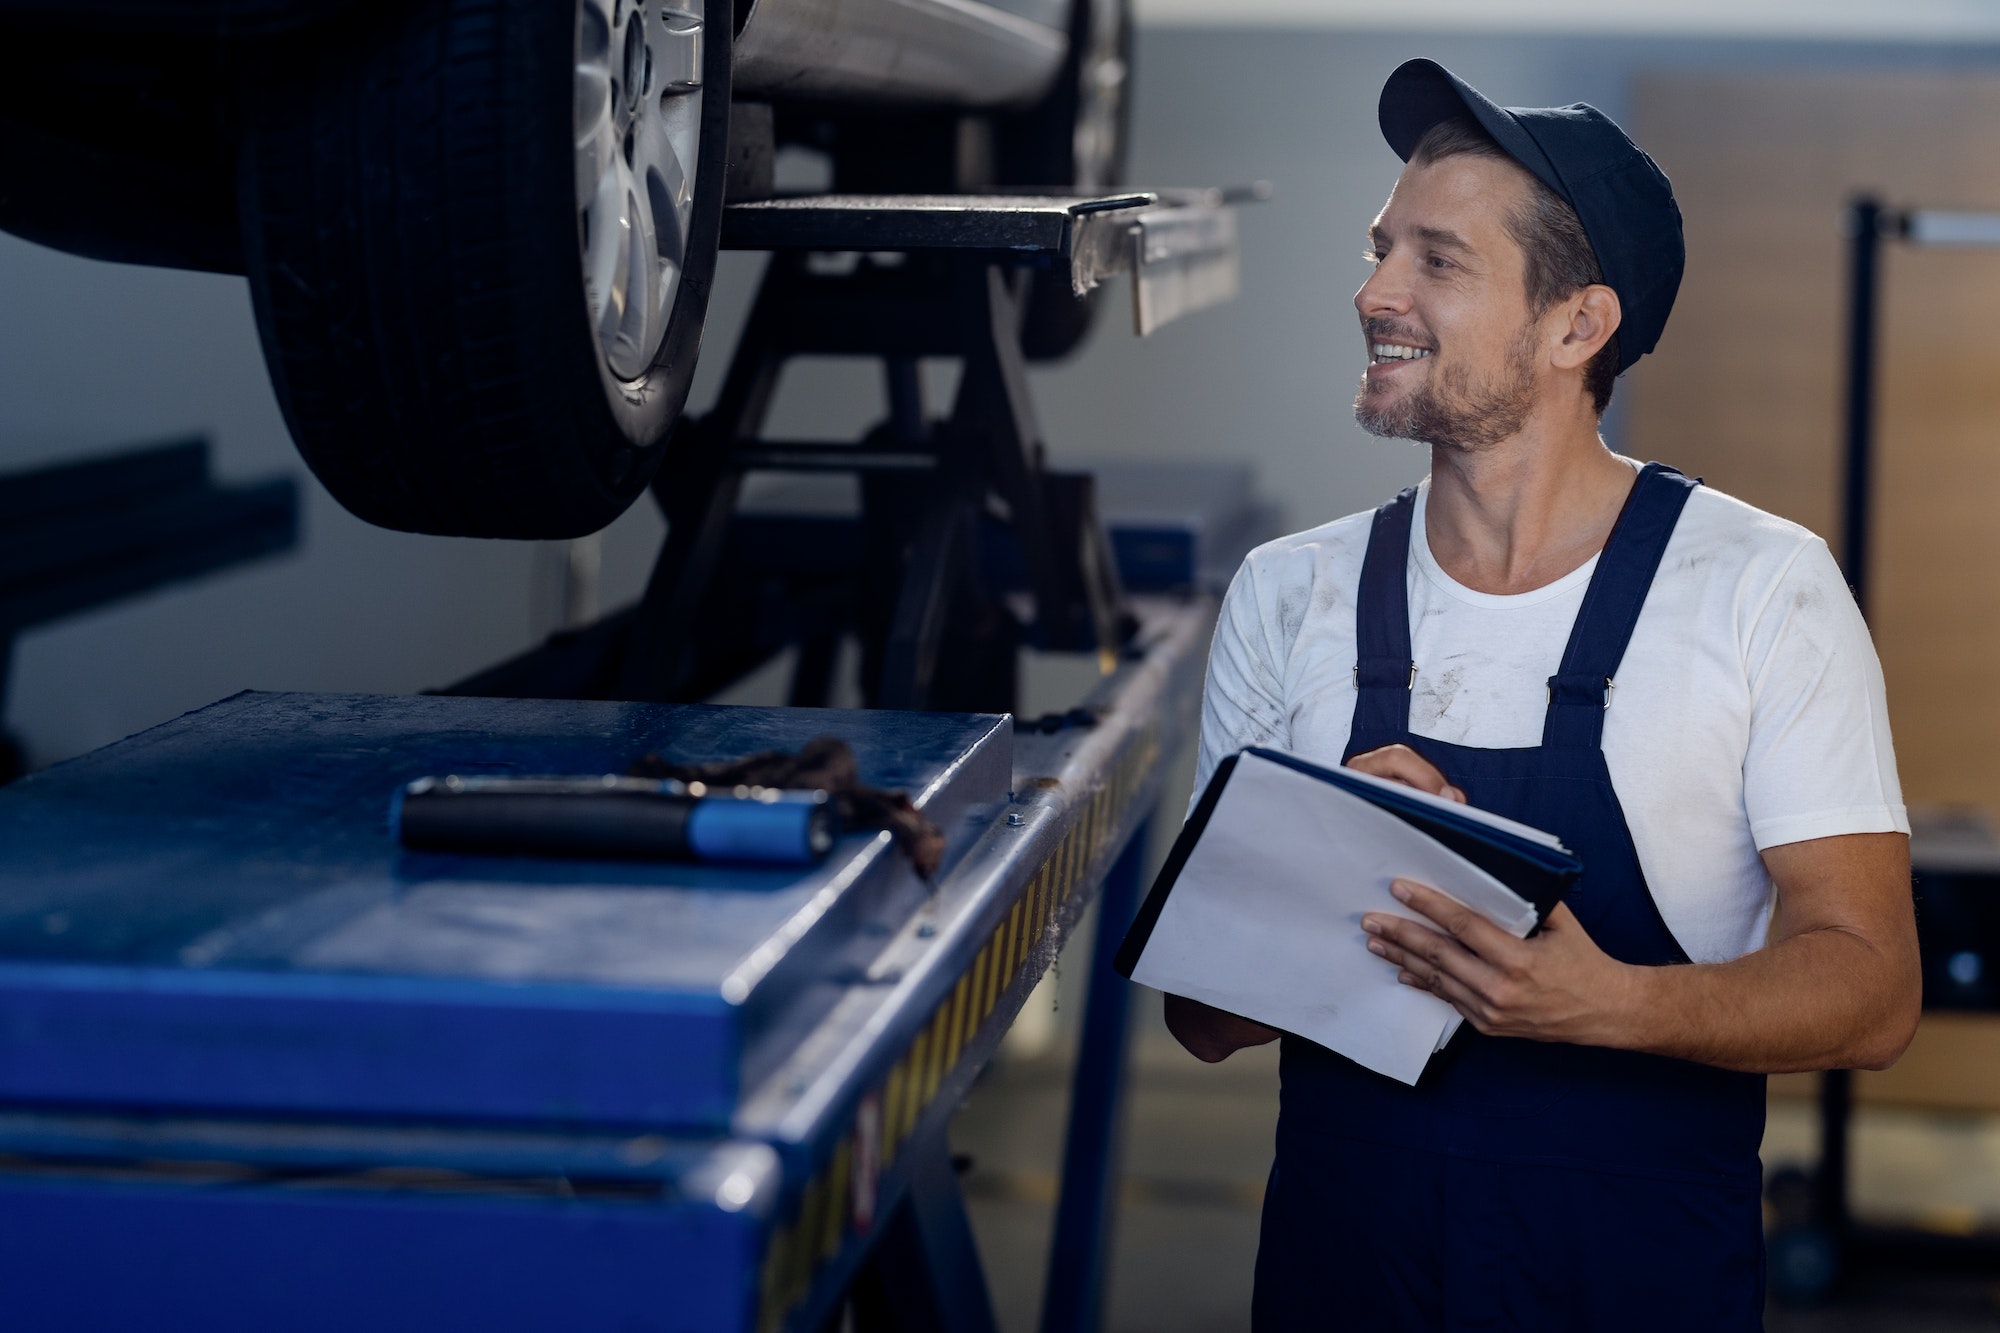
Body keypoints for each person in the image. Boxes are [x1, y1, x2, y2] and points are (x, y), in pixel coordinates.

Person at [1164, 58, 1921, 1330]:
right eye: (1378, 248)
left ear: (1577, 327)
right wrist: (1313, 864)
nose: (1373, 293)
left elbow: (1870, 987)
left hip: (1633, 1278)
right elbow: (1200, 1018)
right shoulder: (1289, 594)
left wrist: (1607, 1003)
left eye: (1436, 262)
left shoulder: (1757, 589)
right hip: (1346, 1276)